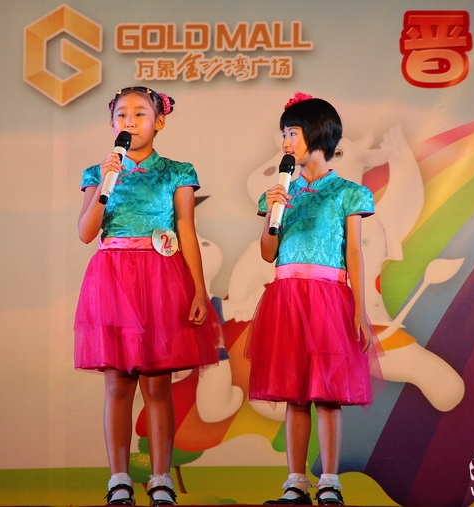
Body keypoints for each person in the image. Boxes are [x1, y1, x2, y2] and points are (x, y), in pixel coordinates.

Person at [74, 86, 221, 506]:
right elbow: (86, 232)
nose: (130, 121)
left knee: (157, 385)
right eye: (122, 114)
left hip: (160, 279)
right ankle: (118, 478)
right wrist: (106, 182)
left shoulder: (177, 171)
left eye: (140, 113)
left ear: (159, 121)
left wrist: (199, 289)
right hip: (113, 280)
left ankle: (161, 478)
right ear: (111, 124)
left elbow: (187, 230)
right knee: (118, 385)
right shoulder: (97, 172)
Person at [245, 92, 382, 506]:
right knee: (295, 394)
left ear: (319, 134)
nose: (286, 142)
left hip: (328, 298)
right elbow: (268, 253)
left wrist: (358, 309)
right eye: (284, 133)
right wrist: (273, 213)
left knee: (327, 394)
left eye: (293, 133)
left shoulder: (348, 192)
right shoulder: (279, 193)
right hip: (287, 298)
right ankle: (295, 482)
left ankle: (329, 482)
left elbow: (354, 252)